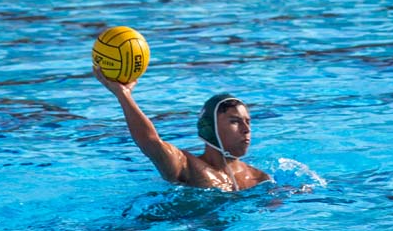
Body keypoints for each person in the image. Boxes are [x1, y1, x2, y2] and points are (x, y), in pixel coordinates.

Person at [94, 65, 271, 191]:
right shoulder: (187, 166)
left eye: (248, 121)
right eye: (235, 121)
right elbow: (150, 141)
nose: (246, 129)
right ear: (209, 128)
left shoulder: (259, 179)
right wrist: (123, 94)